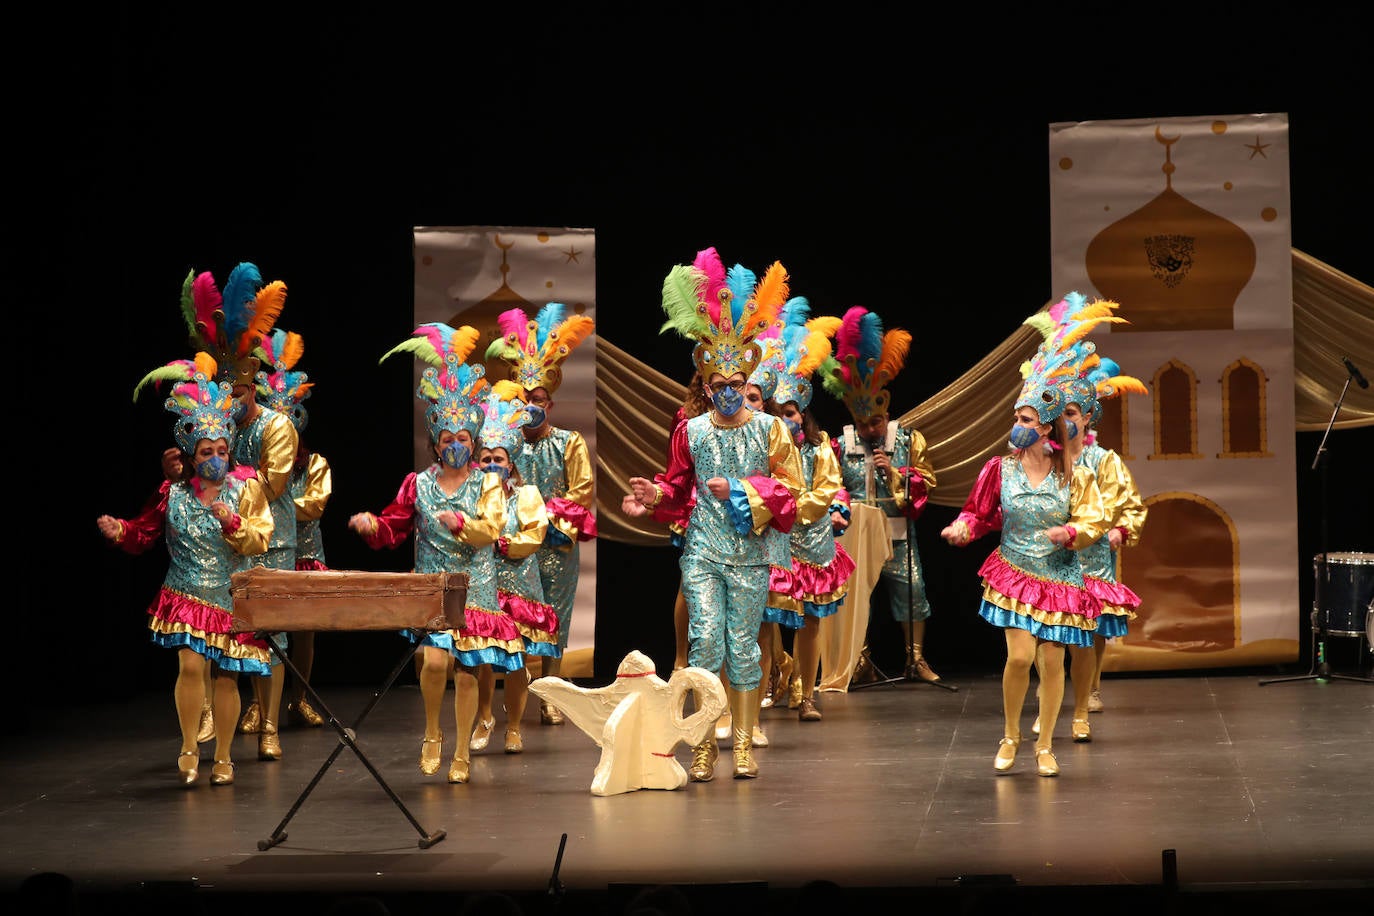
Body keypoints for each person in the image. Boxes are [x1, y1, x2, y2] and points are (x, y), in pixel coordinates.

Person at [623, 247, 803, 781]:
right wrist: (654, 495)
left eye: (735, 385)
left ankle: (742, 744)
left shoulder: (770, 429)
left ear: (747, 381)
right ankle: (703, 745)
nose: (727, 393)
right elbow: (678, 486)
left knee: (743, 647)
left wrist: (742, 489)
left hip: (749, 552)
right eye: (718, 387)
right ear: (705, 386)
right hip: (702, 547)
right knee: (704, 643)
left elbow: (792, 491)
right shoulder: (692, 430)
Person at [349, 323, 523, 784]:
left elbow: (491, 530)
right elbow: (395, 525)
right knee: (432, 660)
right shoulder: (419, 484)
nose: (456, 446)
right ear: (435, 442)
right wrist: (373, 525)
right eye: (448, 439)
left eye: (463, 438)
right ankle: (432, 732)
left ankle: (462, 749)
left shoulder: (488, 483)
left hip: (475, 586)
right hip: (431, 585)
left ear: (474, 441)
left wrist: (462, 524)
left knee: (467, 668)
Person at [939, 312, 1110, 776]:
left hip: (1058, 577)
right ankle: (1011, 735)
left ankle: (1045, 745)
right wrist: (962, 528)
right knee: (1018, 658)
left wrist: (1070, 532)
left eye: (1026, 418)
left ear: (1047, 426)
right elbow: (979, 513)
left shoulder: (1073, 473)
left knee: (1052, 664)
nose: (1017, 424)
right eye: (1016, 417)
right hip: (1014, 572)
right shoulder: (1000, 469)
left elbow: (1094, 517)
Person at [101, 355, 275, 787]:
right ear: (192, 456)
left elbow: (260, 538)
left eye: (221, 451)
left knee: (227, 677)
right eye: (206, 452)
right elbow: (145, 530)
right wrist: (121, 531)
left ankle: (224, 757)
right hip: (186, 594)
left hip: (230, 598)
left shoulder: (245, 489)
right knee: (191, 667)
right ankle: (189, 747)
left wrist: (232, 522)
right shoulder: (174, 492)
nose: (215, 458)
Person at [155, 264, 296, 762]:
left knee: (269, 640)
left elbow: (273, 485)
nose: (231, 400)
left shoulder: (275, 426)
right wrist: (184, 472)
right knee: (212, 643)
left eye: (237, 392)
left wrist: (233, 482)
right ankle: (208, 722)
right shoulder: (214, 432)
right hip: (214, 542)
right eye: (226, 391)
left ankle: (271, 725)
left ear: (253, 386)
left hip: (269, 536)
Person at [1024, 295, 1148, 740]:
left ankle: (1084, 700)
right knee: (1046, 636)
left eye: (1072, 412)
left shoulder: (1102, 460)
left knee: (1086, 636)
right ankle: (1047, 703)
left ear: (1088, 416)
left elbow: (1129, 504)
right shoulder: (1040, 461)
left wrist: (1120, 530)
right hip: (1050, 562)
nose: (1065, 420)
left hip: (1092, 559)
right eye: (1060, 413)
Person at [486, 304, 597, 726]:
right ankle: (511, 697)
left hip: (555, 544)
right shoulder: (503, 445)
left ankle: (552, 691)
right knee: (511, 619)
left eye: (537, 400)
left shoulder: (568, 442)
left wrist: (541, 522)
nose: (531, 406)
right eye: (525, 399)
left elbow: (580, 492)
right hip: (512, 546)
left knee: (555, 617)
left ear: (550, 403)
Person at [817, 305, 939, 688]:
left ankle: (915, 658)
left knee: (913, 591)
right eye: (863, 423)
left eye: (875, 422)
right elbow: (831, 484)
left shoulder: (908, 440)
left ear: (886, 415)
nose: (870, 429)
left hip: (898, 532)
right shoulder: (840, 445)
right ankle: (861, 660)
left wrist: (895, 474)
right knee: (855, 599)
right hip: (856, 536)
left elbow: (926, 481)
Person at [765, 299, 854, 721]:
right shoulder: (764, 449)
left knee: (811, 623)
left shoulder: (820, 448)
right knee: (768, 617)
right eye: (777, 414)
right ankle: (775, 675)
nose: (786, 420)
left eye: (790, 413)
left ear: (802, 414)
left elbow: (830, 488)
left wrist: (821, 510)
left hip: (814, 544)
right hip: (776, 543)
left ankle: (805, 693)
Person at [471, 380, 556, 756]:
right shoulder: (472, 494)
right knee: (483, 659)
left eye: (499, 459)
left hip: (520, 584)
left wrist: (503, 543)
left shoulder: (526, 494)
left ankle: (515, 726)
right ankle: (484, 716)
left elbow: (534, 533)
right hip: (485, 587)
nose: (492, 465)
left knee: (517, 661)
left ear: (511, 463)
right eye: (486, 458)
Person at [256, 328, 332, 729]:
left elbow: (314, 506)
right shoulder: (255, 464)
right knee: (263, 629)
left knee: (304, 634)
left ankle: (298, 699)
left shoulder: (315, 464)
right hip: (265, 549)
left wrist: (274, 505)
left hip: (306, 556)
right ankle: (258, 704)